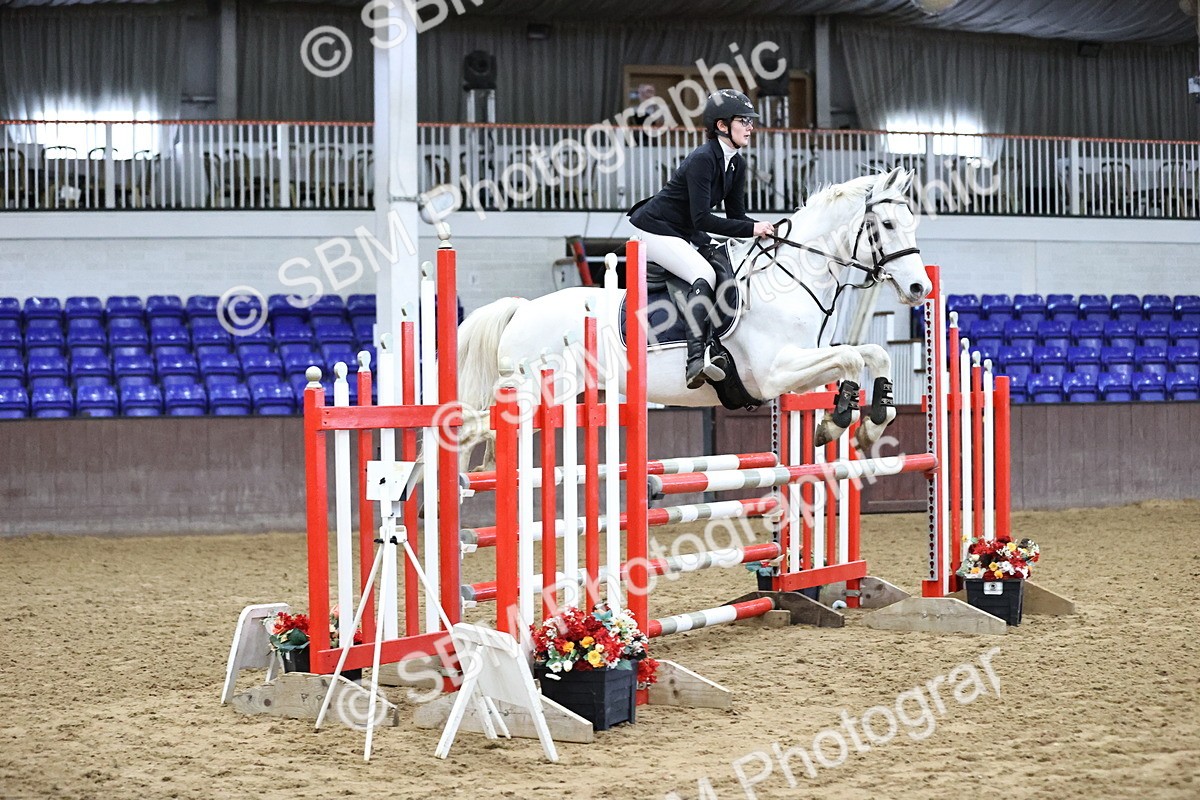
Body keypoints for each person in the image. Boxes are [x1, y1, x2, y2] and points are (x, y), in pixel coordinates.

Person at [628, 89, 775, 389]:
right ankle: (695, 360)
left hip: (683, 232)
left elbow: (737, 216)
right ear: (722, 126)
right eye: (743, 121)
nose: (750, 127)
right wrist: (750, 230)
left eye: (750, 121)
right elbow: (702, 219)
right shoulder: (703, 159)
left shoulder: (736, 164)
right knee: (703, 273)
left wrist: (768, 230)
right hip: (654, 228)